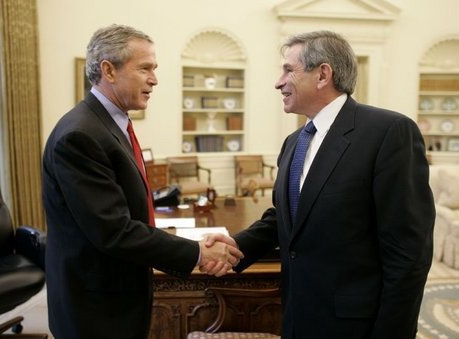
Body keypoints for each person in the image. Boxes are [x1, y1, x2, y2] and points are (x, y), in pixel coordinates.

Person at [204, 31, 435, 339]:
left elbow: (409, 254)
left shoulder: (389, 132)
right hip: (298, 314)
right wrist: (239, 245)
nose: (278, 82)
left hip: (356, 325)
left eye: (288, 70)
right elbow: (286, 217)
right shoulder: (294, 142)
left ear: (323, 74)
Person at [42, 24, 243, 339]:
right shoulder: (80, 135)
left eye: (155, 68)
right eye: (145, 68)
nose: (154, 79)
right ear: (109, 70)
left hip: (119, 289)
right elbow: (113, 230)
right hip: (96, 305)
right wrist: (198, 253)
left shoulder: (107, 123)